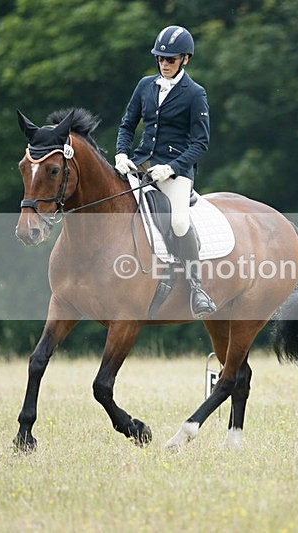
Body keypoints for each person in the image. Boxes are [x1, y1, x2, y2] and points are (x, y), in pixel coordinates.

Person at [115, 25, 216, 318]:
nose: (164, 64)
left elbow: (201, 143)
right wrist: (122, 153)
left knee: (180, 222)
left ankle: (197, 287)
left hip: (176, 173)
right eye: (160, 58)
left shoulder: (195, 94)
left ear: (185, 59)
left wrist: (171, 168)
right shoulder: (145, 86)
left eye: (170, 59)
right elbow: (127, 124)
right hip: (141, 163)